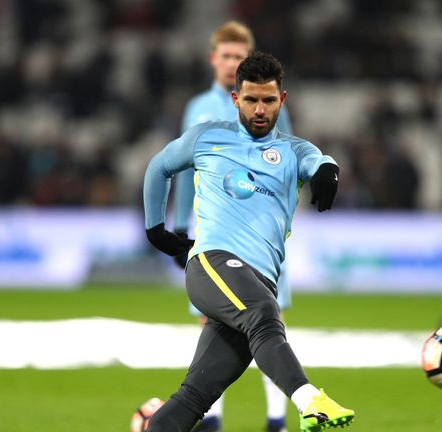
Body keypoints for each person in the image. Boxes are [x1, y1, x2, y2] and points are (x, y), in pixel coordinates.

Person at [143, 52, 354, 432]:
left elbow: (320, 161)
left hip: (257, 284)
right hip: (212, 264)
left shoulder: (293, 150)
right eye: (252, 99)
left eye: (269, 100)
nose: (260, 109)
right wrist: (155, 228)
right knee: (265, 315)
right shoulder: (208, 137)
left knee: (192, 398)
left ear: (282, 100)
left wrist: (329, 171)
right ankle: (310, 401)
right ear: (235, 99)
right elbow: (159, 167)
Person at [171, 21, 293, 432]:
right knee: (213, 321)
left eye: (238, 57)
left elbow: (289, 165)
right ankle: (213, 420)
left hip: (259, 234)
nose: (231, 63)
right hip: (211, 233)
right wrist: (179, 227)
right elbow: (184, 173)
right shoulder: (198, 110)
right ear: (213, 59)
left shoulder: (269, 105)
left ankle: (276, 419)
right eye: (225, 56)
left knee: (267, 320)